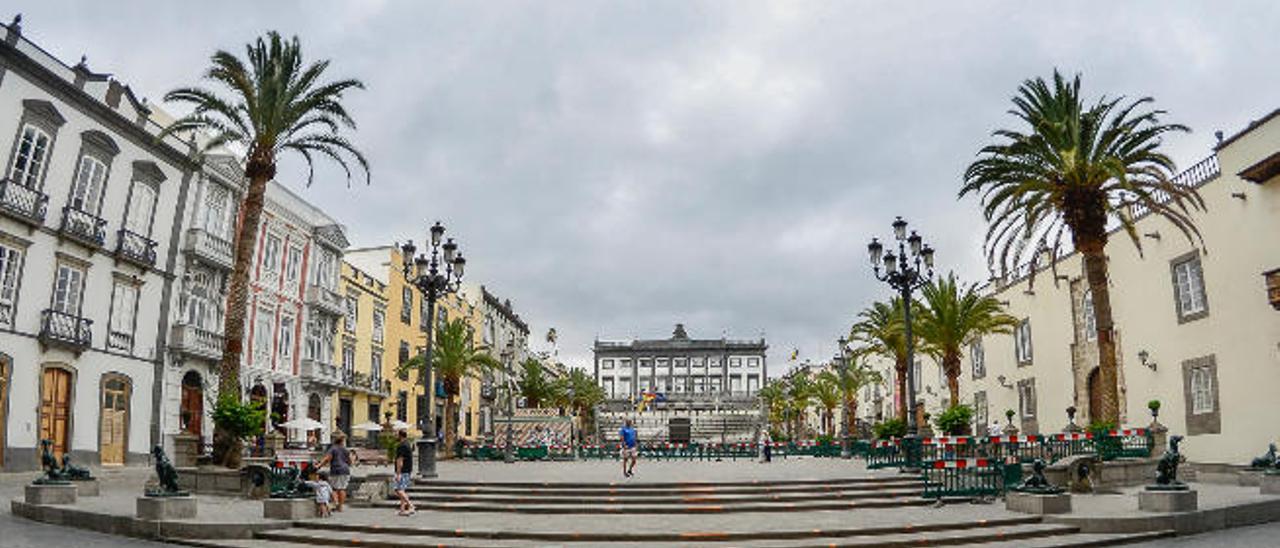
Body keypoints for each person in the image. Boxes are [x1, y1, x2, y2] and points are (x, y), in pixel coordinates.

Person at [316, 432, 352, 512]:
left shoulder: (333, 448)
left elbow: (327, 458)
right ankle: (340, 506)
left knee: (334, 489)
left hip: (336, 469)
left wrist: (319, 465)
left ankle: (335, 504)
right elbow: (350, 461)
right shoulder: (345, 449)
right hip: (346, 470)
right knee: (342, 488)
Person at [393, 430, 416, 516]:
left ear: (400, 436)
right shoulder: (408, 444)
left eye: (396, 435)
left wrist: (398, 474)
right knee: (402, 490)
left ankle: (411, 505)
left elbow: (400, 460)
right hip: (408, 470)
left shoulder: (401, 446)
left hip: (402, 471)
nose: (395, 436)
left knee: (398, 490)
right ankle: (402, 509)